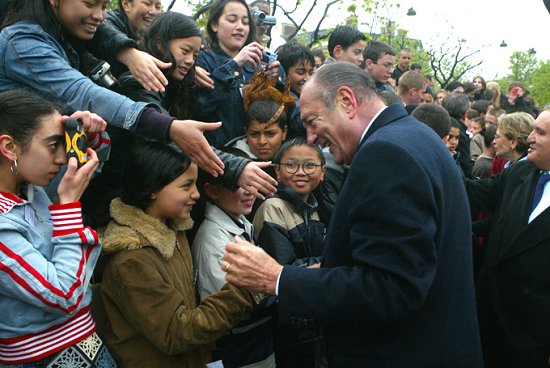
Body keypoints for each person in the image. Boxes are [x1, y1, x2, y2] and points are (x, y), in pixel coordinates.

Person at [222, 62, 483, 367]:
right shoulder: (413, 136)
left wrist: (278, 278)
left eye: (312, 121)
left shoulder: (386, 154)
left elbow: (391, 290)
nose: (310, 138)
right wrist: (328, 269)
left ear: (346, 101)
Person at [0, 0, 230, 182]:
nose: (100, 16)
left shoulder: (64, 34)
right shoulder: (22, 42)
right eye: (90, 4)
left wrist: (126, 52)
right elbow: (83, 93)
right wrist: (167, 126)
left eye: (103, 5)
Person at [99, 137, 259, 367]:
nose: (196, 194)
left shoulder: (174, 231)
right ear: (153, 189)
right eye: (186, 186)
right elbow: (177, 333)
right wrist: (245, 289)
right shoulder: (132, 258)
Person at [0, 89, 116, 366]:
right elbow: (63, 293)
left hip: (85, 343)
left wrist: (85, 135)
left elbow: (85, 165)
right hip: (42, 358)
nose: (63, 158)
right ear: (10, 147)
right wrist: (68, 207)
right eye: (53, 146)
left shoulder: (26, 186)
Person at [464, 107, 550, 367]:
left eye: (540, 132)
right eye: (532, 129)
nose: (530, 138)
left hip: (531, 339)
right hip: (489, 320)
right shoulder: (520, 172)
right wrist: (435, 160)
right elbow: (474, 193)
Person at [253, 137, 327, 367]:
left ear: (323, 171)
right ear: (277, 170)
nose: (300, 172)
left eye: (310, 165)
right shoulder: (273, 207)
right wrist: (328, 264)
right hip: (290, 327)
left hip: (314, 320)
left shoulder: (316, 207)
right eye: (291, 165)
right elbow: (282, 270)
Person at [192, 164, 275, 368]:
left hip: (257, 342)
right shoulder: (212, 240)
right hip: (238, 348)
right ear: (212, 191)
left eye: (252, 183)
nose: (249, 191)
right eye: (239, 184)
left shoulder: (241, 222)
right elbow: (226, 307)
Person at [193, 0, 282, 148]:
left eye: (245, 22)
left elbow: (274, 115)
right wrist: (234, 65)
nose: (240, 27)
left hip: (255, 154)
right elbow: (201, 106)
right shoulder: (202, 60)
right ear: (214, 25)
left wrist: (275, 81)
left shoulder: (257, 64)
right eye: (232, 20)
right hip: (218, 155)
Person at [276, 41, 315, 137]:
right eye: (301, 72)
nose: (307, 78)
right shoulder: (277, 96)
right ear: (283, 72)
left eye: (311, 73)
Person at [443, 92, 473, 177]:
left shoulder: (438, 125)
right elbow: (464, 165)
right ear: (465, 114)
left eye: (456, 138)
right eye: (450, 137)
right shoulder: (461, 133)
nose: (453, 142)